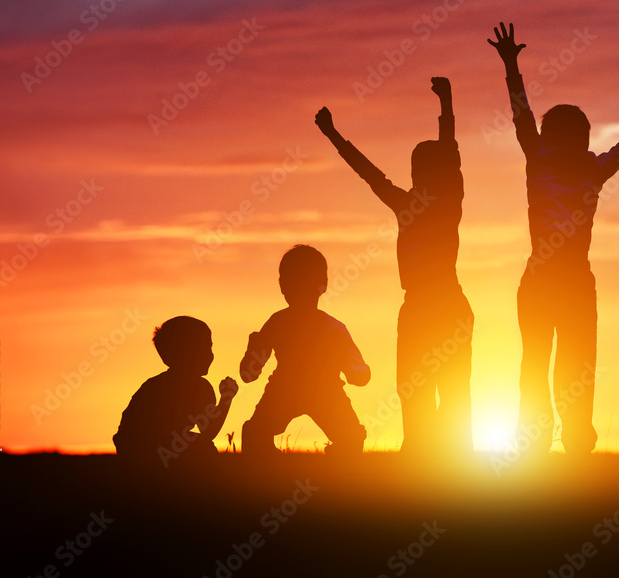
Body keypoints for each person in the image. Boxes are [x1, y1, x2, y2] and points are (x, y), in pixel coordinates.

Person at [487, 21, 619, 454]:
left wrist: (512, 66)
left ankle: (557, 438)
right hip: (562, 280)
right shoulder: (584, 166)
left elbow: (522, 117)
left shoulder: (547, 159)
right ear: (581, 138)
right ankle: (560, 437)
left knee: (548, 362)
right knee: (566, 363)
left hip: (550, 279)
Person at [315, 77, 473, 456]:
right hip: (425, 306)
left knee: (446, 388)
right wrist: (333, 135)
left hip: (441, 305)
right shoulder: (412, 204)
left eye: (421, 169)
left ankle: (447, 459)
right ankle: (422, 455)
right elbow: (370, 173)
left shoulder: (443, 201)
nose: (416, 175)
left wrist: (448, 104)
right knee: (417, 387)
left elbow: (447, 153)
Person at [240, 245, 370, 457]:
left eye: (303, 283)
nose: (299, 290)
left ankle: (334, 468)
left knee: (351, 438)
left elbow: (361, 374)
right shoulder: (281, 323)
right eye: (294, 283)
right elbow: (248, 373)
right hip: (287, 390)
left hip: (323, 391)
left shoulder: (331, 328)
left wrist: (350, 367)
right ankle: (267, 472)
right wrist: (253, 349)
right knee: (255, 433)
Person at [113, 315, 238, 467]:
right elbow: (209, 432)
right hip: (155, 451)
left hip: (131, 451)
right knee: (205, 448)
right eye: (206, 347)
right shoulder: (199, 387)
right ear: (189, 352)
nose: (211, 354)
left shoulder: (153, 384)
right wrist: (226, 398)